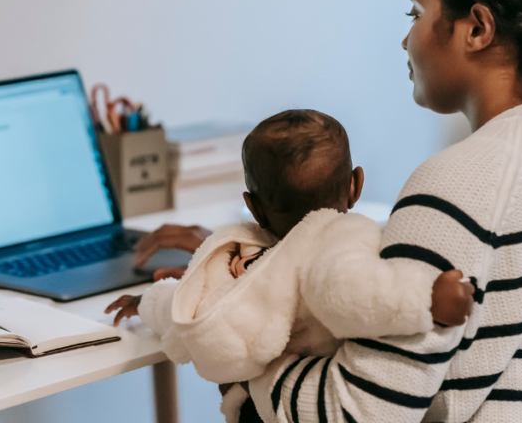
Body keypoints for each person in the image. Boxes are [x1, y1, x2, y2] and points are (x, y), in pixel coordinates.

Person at [129, 0, 522, 421]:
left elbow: (353, 412)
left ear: (476, 28)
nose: (406, 41)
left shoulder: (460, 182)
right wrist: (272, 264)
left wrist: (235, 334)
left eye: (416, 14)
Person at [108, 109, 474, 422]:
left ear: (253, 206)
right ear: (355, 185)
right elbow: (355, 293)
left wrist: (147, 301)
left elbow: (190, 309)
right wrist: (427, 298)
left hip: (256, 406)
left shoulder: (244, 260)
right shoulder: (338, 239)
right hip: (301, 401)